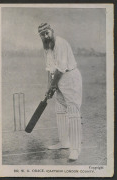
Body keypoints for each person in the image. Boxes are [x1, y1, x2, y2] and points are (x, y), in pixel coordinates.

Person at [38, 23, 82, 160]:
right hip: (58, 79)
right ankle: (64, 142)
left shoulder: (60, 43)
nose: (45, 36)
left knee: (73, 112)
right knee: (60, 111)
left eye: (47, 32)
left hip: (70, 78)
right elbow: (49, 69)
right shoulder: (47, 47)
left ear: (52, 31)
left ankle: (75, 149)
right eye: (42, 34)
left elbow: (61, 69)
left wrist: (53, 86)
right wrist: (48, 87)